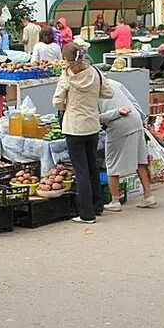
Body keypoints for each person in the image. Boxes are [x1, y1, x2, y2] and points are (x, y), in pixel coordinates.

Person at [53, 42, 113, 224]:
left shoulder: (66, 77)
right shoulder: (95, 72)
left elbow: (56, 102)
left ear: (66, 60)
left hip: (74, 127)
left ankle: (87, 214)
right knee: (92, 166)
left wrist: (68, 106)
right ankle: (97, 205)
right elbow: (108, 93)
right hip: (92, 125)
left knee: (81, 171)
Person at [99, 79, 158, 211]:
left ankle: (115, 200)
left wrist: (115, 113)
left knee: (112, 162)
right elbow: (133, 102)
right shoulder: (113, 82)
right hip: (135, 119)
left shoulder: (89, 89)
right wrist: (142, 120)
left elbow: (94, 117)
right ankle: (148, 195)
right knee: (140, 160)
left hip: (119, 123)